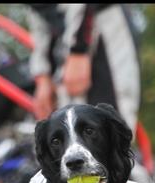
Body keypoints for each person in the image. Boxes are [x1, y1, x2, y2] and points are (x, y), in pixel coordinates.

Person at [27, 4, 142, 134]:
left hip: (100, 22)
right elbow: (38, 11)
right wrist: (42, 74)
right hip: (60, 33)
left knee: (109, 127)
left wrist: (79, 48)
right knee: (69, 129)